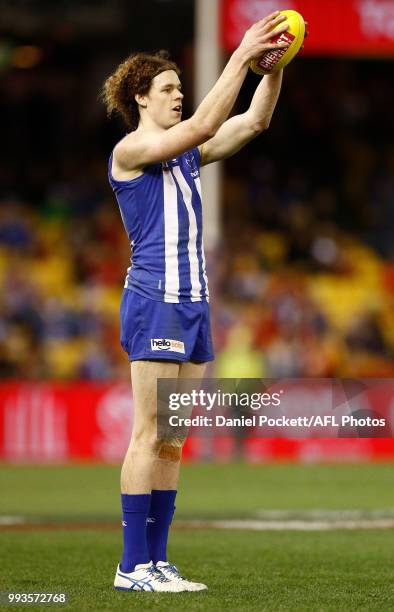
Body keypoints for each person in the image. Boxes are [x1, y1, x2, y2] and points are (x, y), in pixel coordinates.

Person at [102, 10, 288, 593]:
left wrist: (273, 69)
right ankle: (131, 566)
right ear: (140, 98)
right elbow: (208, 125)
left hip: (194, 303)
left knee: (174, 437)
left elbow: (252, 121)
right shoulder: (132, 149)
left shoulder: (182, 155)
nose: (180, 97)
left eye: (182, 89)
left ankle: (156, 563)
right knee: (148, 429)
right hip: (154, 298)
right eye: (169, 89)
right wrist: (238, 56)